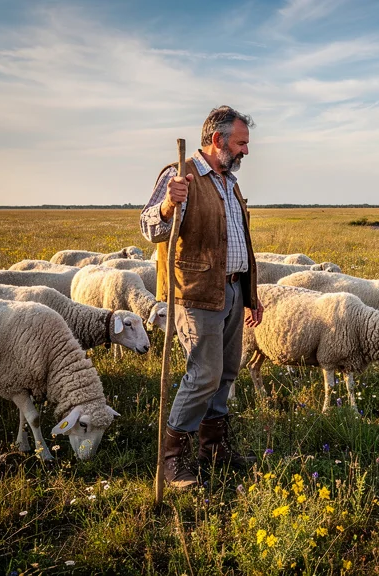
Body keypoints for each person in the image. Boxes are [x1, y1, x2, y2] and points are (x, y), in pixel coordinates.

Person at [139, 106, 264, 489]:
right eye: (241, 142)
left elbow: (236, 240)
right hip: (195, 294)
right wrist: (167, 205)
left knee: (226, 372)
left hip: (230, 289)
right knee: (203, 374)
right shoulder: (181, 175)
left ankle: (214, 448)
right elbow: (150, 226)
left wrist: (249, 293)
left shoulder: (228, 182)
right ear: (217, 139)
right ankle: (171, 460)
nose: (246, 151)